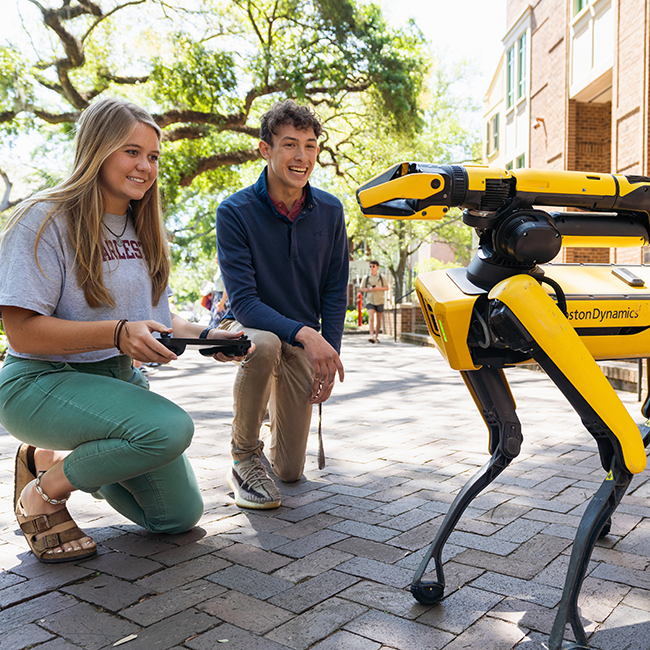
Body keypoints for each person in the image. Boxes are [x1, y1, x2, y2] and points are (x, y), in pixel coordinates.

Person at [0, 98, 247, 564]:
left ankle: (60, 458)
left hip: (114, 380)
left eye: (153, 156)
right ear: (98, 148)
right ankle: (43, 492)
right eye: (131, 151)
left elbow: (155, 318)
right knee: (170, 428)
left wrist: (211, 337)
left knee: (177, 517)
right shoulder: (43, 219)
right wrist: (115, 334)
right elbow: (22, 335)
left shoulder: (143, 227)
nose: (145, 166)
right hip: (39, 381)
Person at [216, 99, 349, 509]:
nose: (301, 156)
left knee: (290, 472)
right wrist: (309, 335)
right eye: (289, 144)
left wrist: (331, 353)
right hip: (246, 328)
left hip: (299, 342)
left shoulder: (330, 210)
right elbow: (245, 302)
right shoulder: (234, 211)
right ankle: (243, 454)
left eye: (310, 145)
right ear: (265, 149)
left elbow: (334, 289)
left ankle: (272, 402)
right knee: (266, 345)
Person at [360, 260, 389, 343]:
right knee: (371, 318)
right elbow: (362, 288)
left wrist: (378, 288)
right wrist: (370, 289)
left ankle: (376, 336)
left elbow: (387, 288)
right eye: (370, 266)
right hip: (370, 300)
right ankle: (371, 336)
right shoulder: (366, 277)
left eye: (373, 266)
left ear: (377, 267)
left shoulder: (381, 277)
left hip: (380, 300)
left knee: (378, 319)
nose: (371, 268)